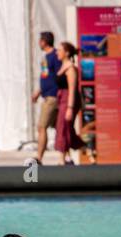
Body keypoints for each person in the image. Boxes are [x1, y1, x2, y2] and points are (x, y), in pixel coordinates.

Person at [31, 32, 60, 164]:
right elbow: (46, 76)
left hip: (52, 97)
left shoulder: (55, 56)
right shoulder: (46, 57)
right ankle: (66, 155)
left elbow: (59, 75)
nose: (39, 43)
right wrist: (38, 91)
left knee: (41, 126)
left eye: (40, 40)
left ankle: (39, 157)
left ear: (44, 41)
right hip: (46, 95)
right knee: (59, 127)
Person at [54, 42, 85, 165]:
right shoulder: (63, 66)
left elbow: (72, 89)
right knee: (67, 130)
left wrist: (70, 108)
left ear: (66, 53)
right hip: (62, 99)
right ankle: (84, 150)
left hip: (68, 100)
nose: (57, 52)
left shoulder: (71, 69)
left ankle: (61, 159)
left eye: (60, 50)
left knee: (62, 128)